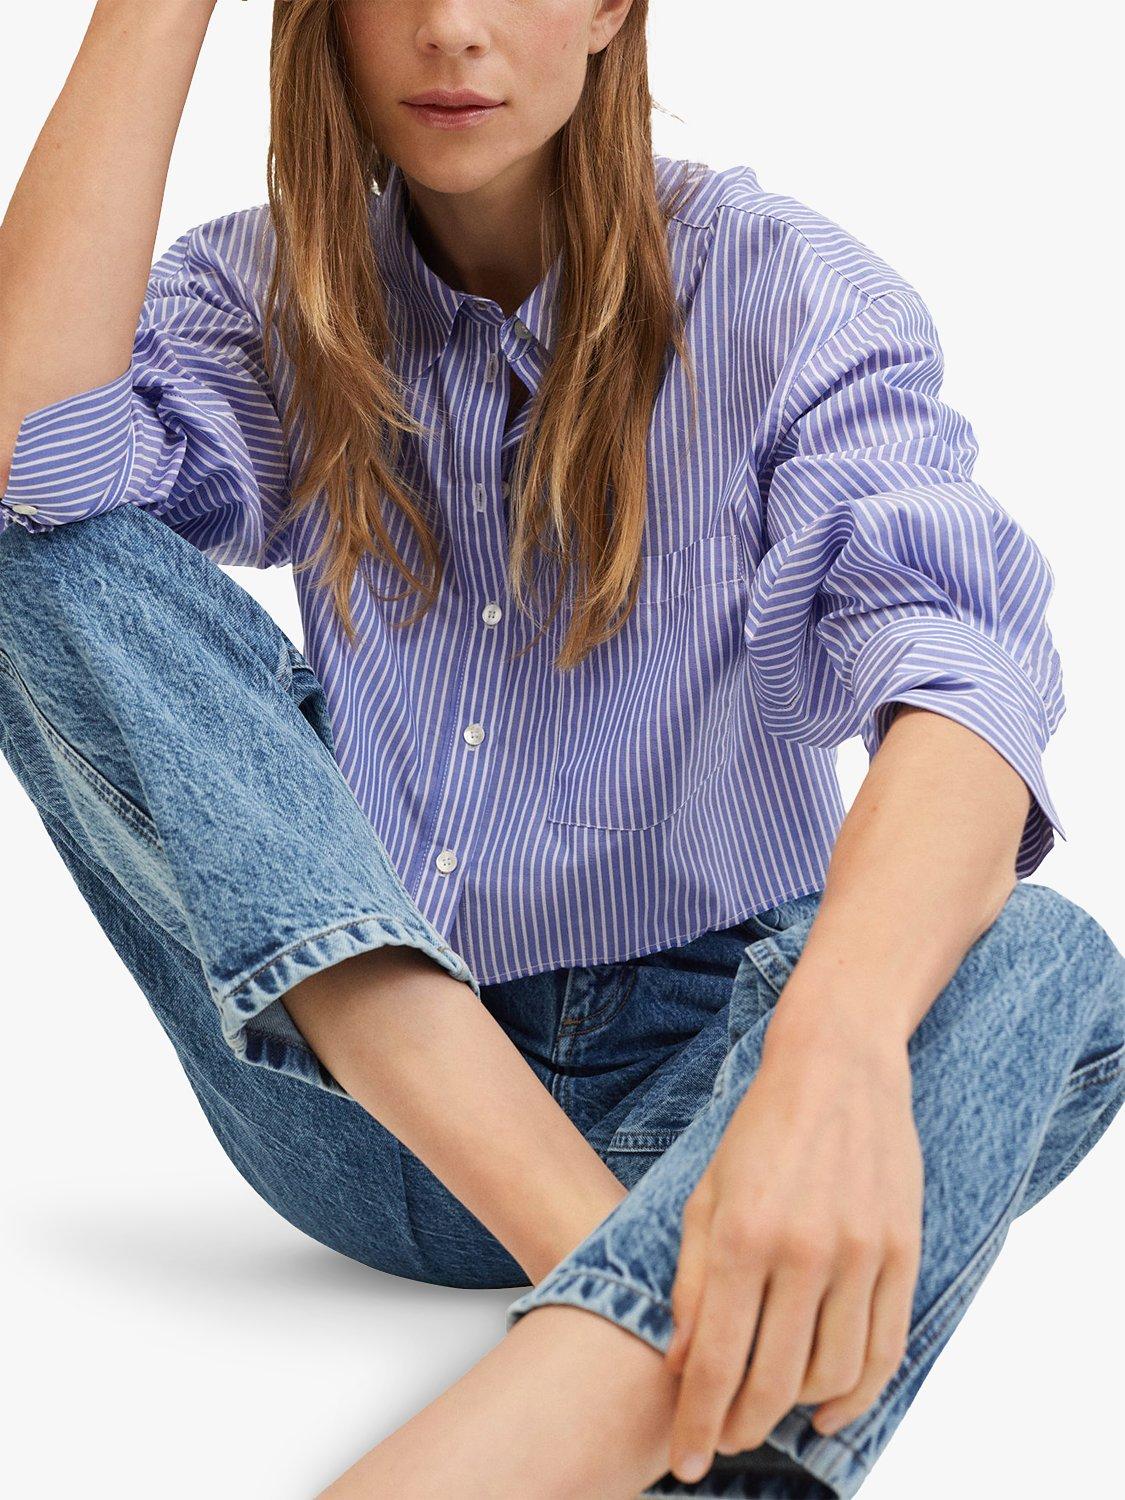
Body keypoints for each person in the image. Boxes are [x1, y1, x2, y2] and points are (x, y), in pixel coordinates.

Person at [0, 3, 1120, 1496]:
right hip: (356, 1102)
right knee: (28, 535)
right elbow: (29, 450)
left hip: (708, 1094)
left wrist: (831, 1057)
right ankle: (644, 1313)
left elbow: (962, 668)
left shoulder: (783, 291)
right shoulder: (264, 293)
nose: (450, 28)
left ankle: (560, 1395)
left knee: (1048, 965)